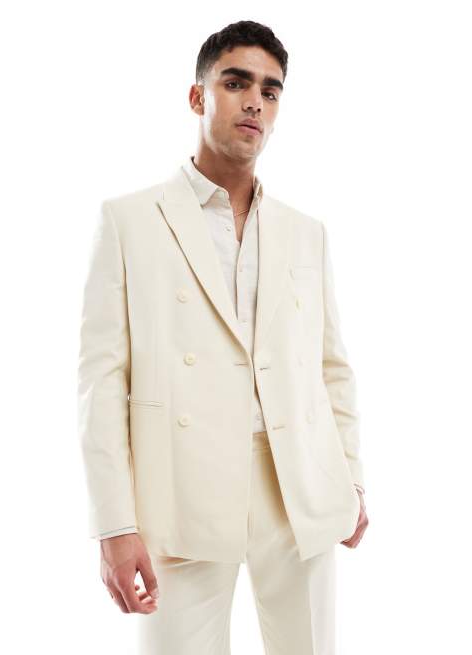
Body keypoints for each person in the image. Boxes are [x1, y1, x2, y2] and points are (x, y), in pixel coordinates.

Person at [77, 19, 369, 654]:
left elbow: (331, 368)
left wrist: (351, 479)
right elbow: (102, 383)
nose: (254, 102)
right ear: (198, 96)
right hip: (182, 491)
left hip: (298, 487)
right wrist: (114, 524)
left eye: (270, 90)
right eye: (236, 83)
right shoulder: (129, 221)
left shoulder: (306, 232)